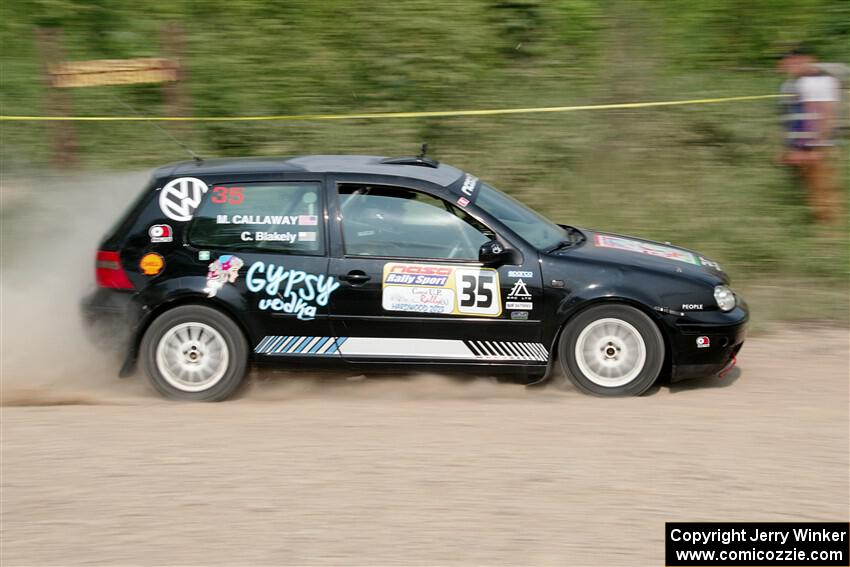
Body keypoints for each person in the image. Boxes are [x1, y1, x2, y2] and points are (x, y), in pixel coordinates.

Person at [778, 47, 843, 226]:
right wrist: (788, 148)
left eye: (796, 60)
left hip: (815, 148)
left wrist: (815, 147)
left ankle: (830, 233)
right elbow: (791, 119)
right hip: (797, 148)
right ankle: (812, 227)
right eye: (788, 61)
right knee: (807, 192)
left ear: (809, 59)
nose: (790, 65)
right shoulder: (792, 83)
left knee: (823, 191)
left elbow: (826, 115)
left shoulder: (821, 80)